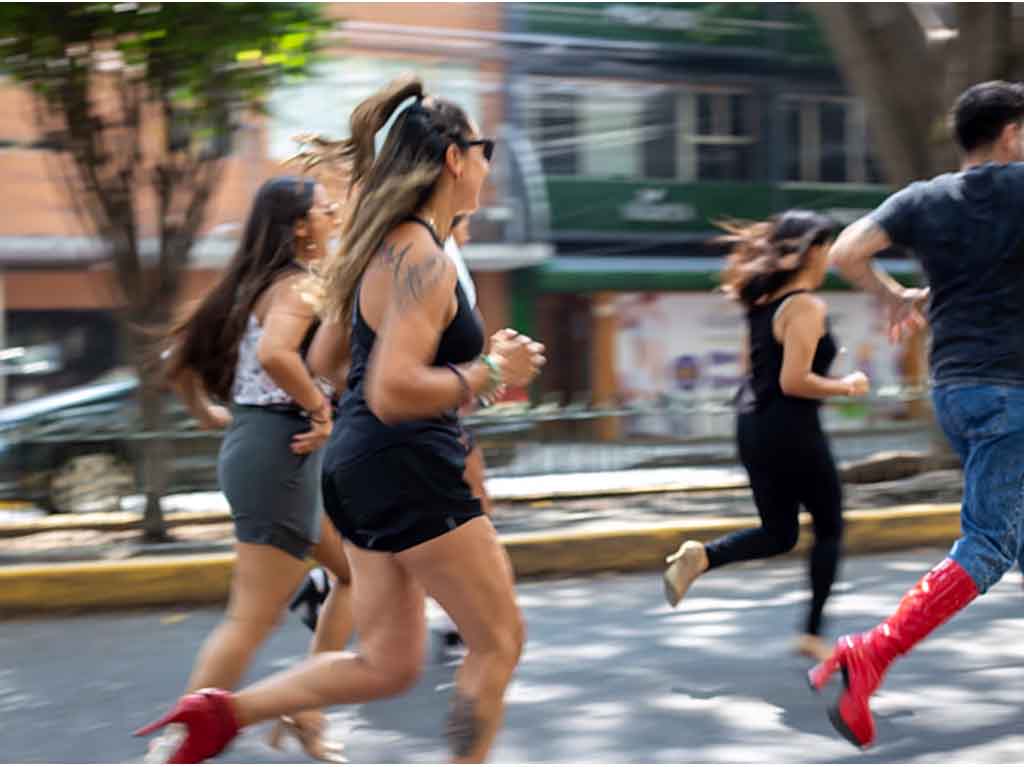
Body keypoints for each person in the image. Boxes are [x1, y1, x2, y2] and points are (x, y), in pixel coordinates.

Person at [137, 75, 546, 764]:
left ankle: (221, 711)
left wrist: (417, 375)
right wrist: (494, 369)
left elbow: (328, 360)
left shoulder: (374, 250)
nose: (486, 165)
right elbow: (392, 391)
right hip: (410, 463)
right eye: (484, 149)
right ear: (453, 158)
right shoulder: (422, 255)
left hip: (358, 465)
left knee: (388, 662)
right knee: (498, 640)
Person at [806, 80, 1024, 749]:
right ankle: (873, 651)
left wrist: (897, 293)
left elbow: (846, 252)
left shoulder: (925, 198)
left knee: (1011, 527)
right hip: (1012, 395)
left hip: (955, 391)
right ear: (1012, 133)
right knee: (989, 542)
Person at [157, 176, 353, 762]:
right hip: (283, 454)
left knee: (359, 575)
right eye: (324, 208)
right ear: (298, 226)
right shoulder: (296, 286)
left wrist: (212, 416)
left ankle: (306, 708)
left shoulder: (249, 286)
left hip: (266, 445)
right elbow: (275, 355)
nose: (335, 212)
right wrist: (320, 410)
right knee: (248, 620)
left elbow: (176, 362)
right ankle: (178, 744)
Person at [663, 210, 870, 662]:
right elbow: (793, 381)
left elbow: (754, 370)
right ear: (812, 251)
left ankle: (703, 556)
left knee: (779, 533)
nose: (830, 256)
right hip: (790, 425)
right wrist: (846, 384)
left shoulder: (762, 304)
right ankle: (813, 633)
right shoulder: (805, 305)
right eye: (827, 246)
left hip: (753, 424)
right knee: (830, 525)